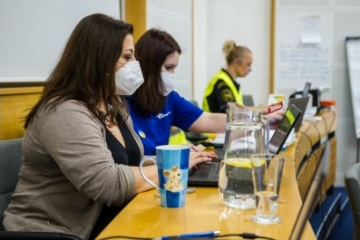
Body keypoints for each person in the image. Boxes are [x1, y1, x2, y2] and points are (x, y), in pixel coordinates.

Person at [2, 14, 210, 240]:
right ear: (100, 60)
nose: (135, 67)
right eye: (127, 57)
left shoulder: (113, 104)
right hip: (53, 232)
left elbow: (130, 163)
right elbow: (108, 183)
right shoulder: (64, 112)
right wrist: (176, 167)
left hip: (107, 223)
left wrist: (173, 157)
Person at [127, 29, 282, 156]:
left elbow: (208, 120)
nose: (172, 74)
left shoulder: (169, 99)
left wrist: (261, 121)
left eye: (174, 68)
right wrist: (175, 155)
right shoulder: (123, 103)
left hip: (165, 176)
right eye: (169, 68)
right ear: (149, 66)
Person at [202, 40, 261, 113]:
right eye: (248, 64)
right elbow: (234, 114)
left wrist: (265, 110)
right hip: (217, 124)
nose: (250, 69)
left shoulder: (230, 82)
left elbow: (242, 110)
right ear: (236, 62)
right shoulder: (222, 83)